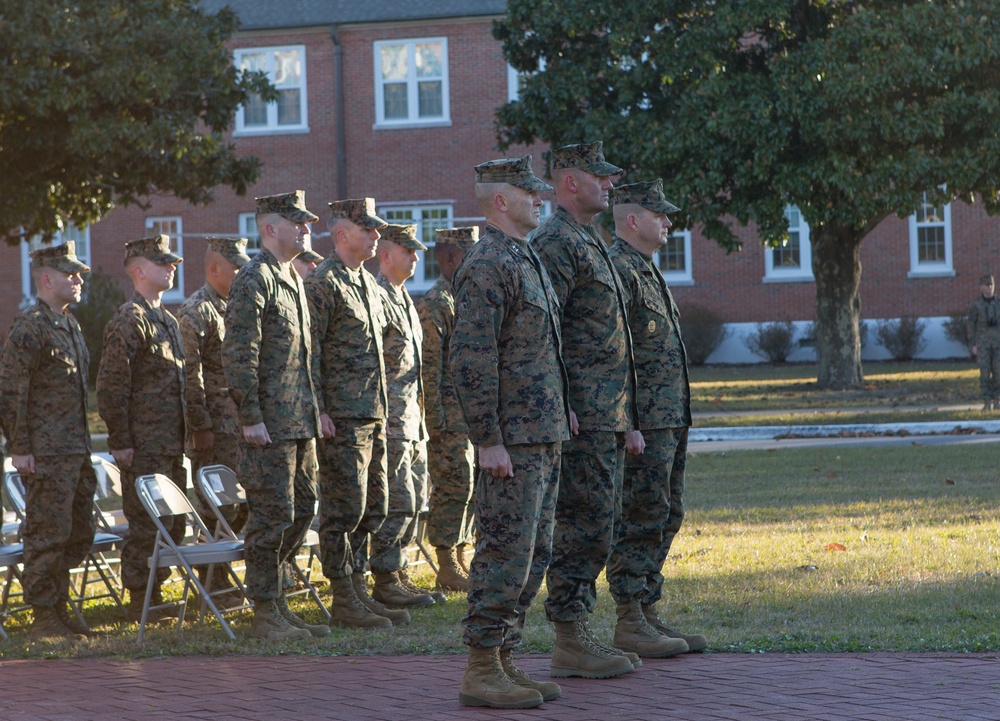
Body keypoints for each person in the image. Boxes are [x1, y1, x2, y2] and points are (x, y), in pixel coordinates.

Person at [451, 155, 570, 709]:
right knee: (504, 552)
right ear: (501, 200)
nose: (539, 199)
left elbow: (539, 349)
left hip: (541, 433)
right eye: (529, 193)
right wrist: (488, 438)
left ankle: (504, 660)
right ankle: (481, 666)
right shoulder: (487, 263)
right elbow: (471, 358)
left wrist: (562, 408)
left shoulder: (525, 257)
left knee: (533, 554)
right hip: (512, 440)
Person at [530, 141, 640, 677]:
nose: (611, 186)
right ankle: (570, 639)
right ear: (570, 182)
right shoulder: (555, 241)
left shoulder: (586, 237)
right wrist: (566, 400)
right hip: (583, 414)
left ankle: (578, 632)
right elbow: (544, 325)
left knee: (599, 523)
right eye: (601, 177)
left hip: (606, 413)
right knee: (582, 525)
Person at [222, 190, 329, 641]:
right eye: (297, 222)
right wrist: (250, 415)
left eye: (306, 222)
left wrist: (317, 410)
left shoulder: (292, 278)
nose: (306, 229)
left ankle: (279, 601)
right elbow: (239, 352)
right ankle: (265, 611)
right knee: (271, 515)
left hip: (298, 421)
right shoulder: (255, 278)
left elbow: (307, 356)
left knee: (302, 509)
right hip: (268, 425)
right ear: (270, 228)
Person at [606, 180, 705, 656]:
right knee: (641, 515)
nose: (668, 222)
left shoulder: (645, 269)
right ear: (632, 220)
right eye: (659, 214)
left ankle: (646, 608)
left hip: (669, 416)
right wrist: (627, 421)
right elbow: (613, 354)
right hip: (644, 420)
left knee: (667, 511)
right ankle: (628, 617)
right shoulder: (619, 270)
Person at [305, 197, 407, 629]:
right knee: (343, 510)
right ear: (342, 233)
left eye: (376, 228)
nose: (376, 235)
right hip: (342, 417)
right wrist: (320, 409)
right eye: (367, 229)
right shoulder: (324, 282)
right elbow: (310, 352)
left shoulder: (366, 282)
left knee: (374, 506)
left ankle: (360, 590)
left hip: (372, 413)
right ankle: (343, 595)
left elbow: (383, 347)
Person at [0, 242, 96, 640]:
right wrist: (19, 447)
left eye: (78, 274)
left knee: (79, 531)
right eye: (70, 273)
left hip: (75, 448)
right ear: (46, 279)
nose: (77, 279)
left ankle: (56, 602)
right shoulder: (30, 327)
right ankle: (43, 615)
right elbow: (11, 392)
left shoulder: (70, 324)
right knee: (47, 532)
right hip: (45, 452)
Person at [97, 235, 187, 623]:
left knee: (172, 524)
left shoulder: (167, 320)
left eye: (172, 262)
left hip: (170, 444)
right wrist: (120, 440)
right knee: (145, 525)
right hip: (144, 445)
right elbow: (111, 385)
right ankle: (140, 600)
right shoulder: (129, 320)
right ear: (138, 270)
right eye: (162, 262)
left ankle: (156, 593)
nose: (172, 267)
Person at [177, 237, 252, 601]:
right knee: (214, 508)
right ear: (213, 269)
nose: (241, 273)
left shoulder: (236, 308)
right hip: (214, 430)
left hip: (238, 428)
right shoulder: (196, 311)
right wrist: (200, 425)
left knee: (239, 506)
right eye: (235, 267)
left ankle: (222, 576)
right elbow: (189, 374)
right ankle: (214, 582)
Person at [368, 223, 437, 608]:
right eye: (408, 251)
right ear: (386, 254)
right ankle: (385, 578)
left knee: (415, 498)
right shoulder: (377, 296)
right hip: (391, 420)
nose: (415, 257)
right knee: (398, 500)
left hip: (413, 419)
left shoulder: (404, 297)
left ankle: (399, 571)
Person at [418, 226, 479, 592]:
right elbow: (429, 366)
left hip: (469, 415)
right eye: (469, 253)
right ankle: (445, 562)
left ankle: (460, 556)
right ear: (452, 258)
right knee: (452, 486)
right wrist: (435, 419)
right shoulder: (436, 303)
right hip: (448, 418)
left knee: (469, 486)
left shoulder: (464, 297)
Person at [967, 273, 1000, 411]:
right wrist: (972, 344)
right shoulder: (976, 305)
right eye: (987, 285)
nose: (989, 288)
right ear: (981, 287)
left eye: (991, 285)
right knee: (985, 373)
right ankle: (987, 402)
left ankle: (997, 401)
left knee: (998, 373)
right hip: (982, 344)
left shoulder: (998, 303)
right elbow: (971, 325)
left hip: (998, 344)